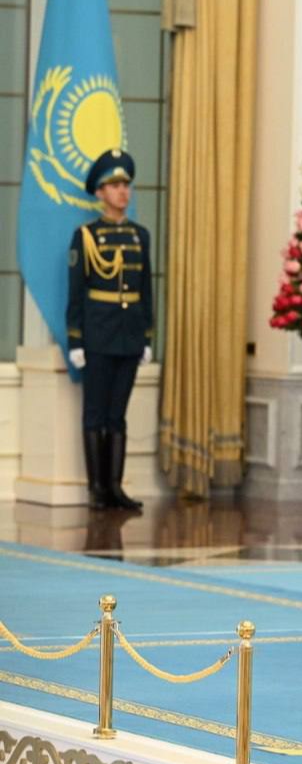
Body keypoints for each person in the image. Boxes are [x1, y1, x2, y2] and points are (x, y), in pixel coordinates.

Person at [66, 149, 152, 512]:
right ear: (100, 193)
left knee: (118, 414)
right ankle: (97, 490)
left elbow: (145, 289)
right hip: (98, 336)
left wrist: (147, 336)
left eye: (126, 185)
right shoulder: (86, 236)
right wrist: (76, 339)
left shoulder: (140, 236)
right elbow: (76, 292)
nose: (122, 192)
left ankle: (115, 487)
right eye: (115, 186)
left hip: (129, 336)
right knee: (95, 414)